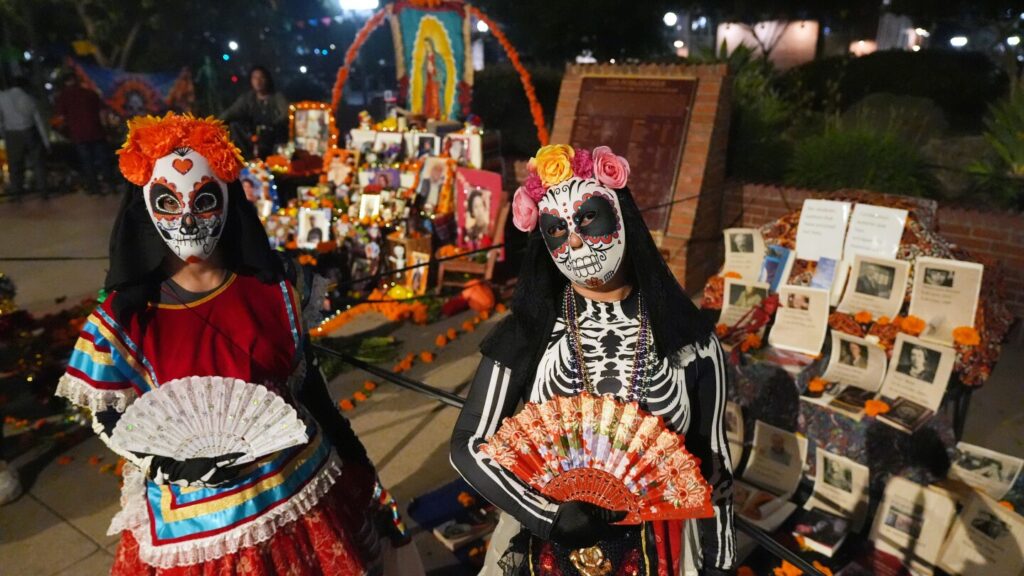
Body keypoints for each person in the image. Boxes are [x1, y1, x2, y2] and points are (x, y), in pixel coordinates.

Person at [55, 113, 422, 575]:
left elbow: (309, 388)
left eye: (204, 199)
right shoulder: (126, 318)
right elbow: (111, 416)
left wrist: (358, 463)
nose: (188, 218)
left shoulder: (275, 285)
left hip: (299, 492)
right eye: (167, 202)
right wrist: (170, 464)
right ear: (144, 206)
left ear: (228, 197)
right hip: (199, 528)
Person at [450, 145, 735, 575]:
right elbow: (468, 443)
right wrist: (546, 516)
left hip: (663, 550)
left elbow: (714, 462)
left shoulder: (691, 339)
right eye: (556, 229)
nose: (575, 241)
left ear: (621, 218)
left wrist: (720, 562)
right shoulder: (528, 333)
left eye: (587, 219)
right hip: (546, 548)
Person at [54, 72, 115, 195]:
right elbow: (103, 113)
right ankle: (111, 185)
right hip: (96, 131)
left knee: (87, 162)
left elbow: (60, 118)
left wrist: (62, 130)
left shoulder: (63, 97)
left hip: (79, 134)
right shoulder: (90, 93)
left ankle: (94, 187)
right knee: (103, 160)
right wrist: (108, 129)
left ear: (65, 82)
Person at [220, 66, 289, 160]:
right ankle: (246, 158)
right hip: (253, 135)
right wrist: (214, 124)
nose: (258, 81)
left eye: (261, 77)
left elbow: (286, 114)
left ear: (267, 79)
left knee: (281, 128)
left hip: (273, 134)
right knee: (234, 125)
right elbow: (231, 112)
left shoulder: (277, 97)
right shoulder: (248, 98)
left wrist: (271, 125)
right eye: (255, 78)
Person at [0, 75, 49, 199]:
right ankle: (43, 189)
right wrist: (46, 141)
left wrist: (3, 134)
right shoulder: (29, 98)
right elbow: (39, 121)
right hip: (29, 130)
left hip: (12, 133)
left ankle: (16, 191)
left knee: (15, 163)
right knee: (37, 161)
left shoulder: (2, 97)